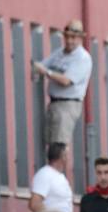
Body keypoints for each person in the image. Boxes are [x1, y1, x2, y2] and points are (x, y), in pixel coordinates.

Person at [33, 20, 93, 148]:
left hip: (68, 104)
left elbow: (66, 81)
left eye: (73, 37)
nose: (69, 41)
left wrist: (46, 72)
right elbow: (43, 64)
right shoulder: (60, 52)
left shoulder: (83, 58)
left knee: (60, 145)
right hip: (54, 103)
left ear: (80, 38)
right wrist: (37, 68)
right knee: (50, 143)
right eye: (67, 37)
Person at [29, 142, 74, 212]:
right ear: (62, 156)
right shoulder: (45, 174)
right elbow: (34, 204)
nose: (69, 158)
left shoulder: (60, 176)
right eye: (67, 155)